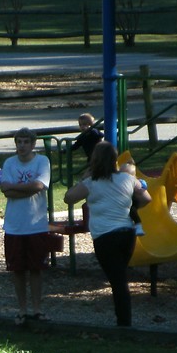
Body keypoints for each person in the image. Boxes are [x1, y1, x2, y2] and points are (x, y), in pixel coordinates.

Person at [63, 140, 151, 327]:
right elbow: (146, 198)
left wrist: (82, 179)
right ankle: (123, 318)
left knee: (118, 281)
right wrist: (132, 206)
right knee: (119, 275)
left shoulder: (91, 183)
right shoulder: (127, 179)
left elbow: (68, 198)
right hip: (127, 233)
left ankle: (124, 323)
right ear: (114, 159)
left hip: (104, 236)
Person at [0, 127, 52, 326]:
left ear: (33, 144)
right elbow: (6, 192)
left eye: (26, 142)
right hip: (14, 225)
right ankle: (22, 309)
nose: (22, 146)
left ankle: (37, 309)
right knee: (17, 270)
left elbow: (39, 185)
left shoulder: (42, 161)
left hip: (36, 224)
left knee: (36, 268)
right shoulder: (9, 163)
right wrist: (25, 189)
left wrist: (15, 187)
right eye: (19, 142)